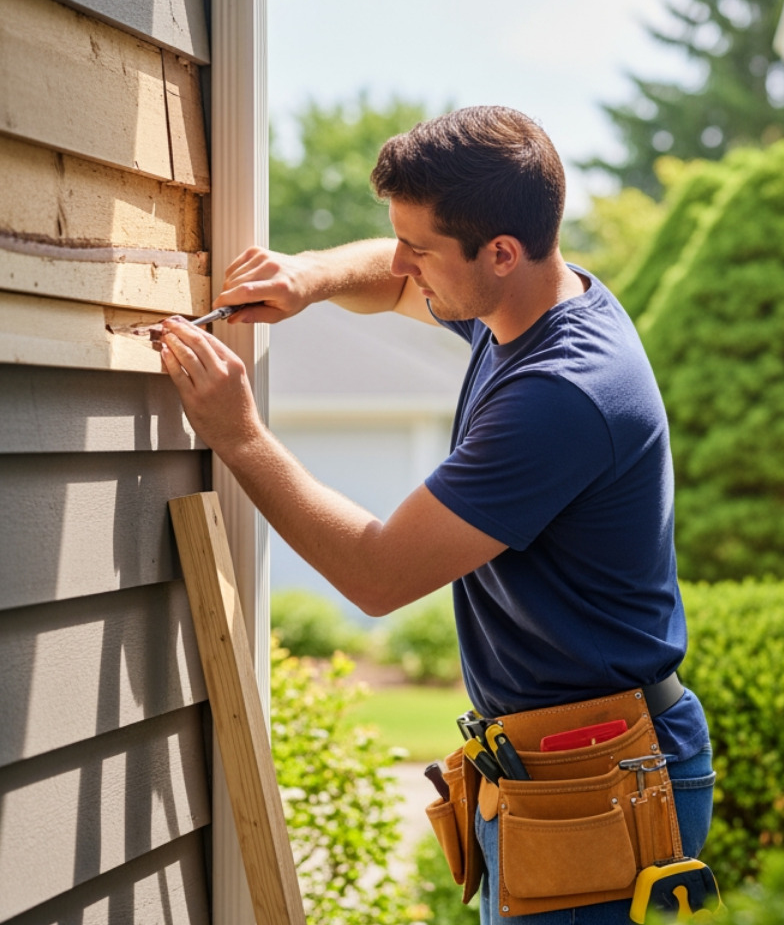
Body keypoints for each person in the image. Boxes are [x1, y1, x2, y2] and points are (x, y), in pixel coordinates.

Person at [157, 106, 713, 923]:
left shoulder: (561, 394)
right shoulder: (527, 303)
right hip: (563, 765)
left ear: (501, 252)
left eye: (420, 249)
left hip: (600, 777)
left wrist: (239, 436)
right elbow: (391, 280)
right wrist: (306, 276)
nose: (402, 264)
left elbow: (377, 574)